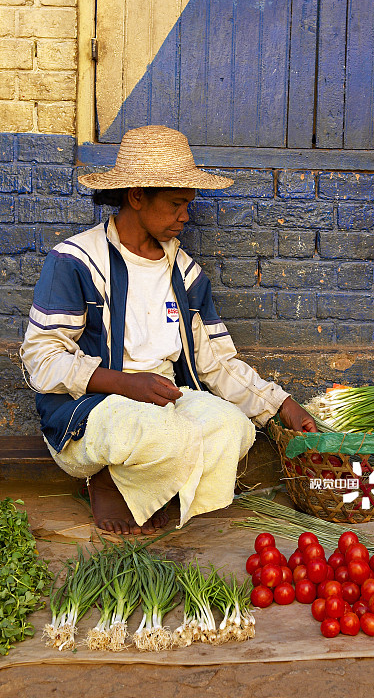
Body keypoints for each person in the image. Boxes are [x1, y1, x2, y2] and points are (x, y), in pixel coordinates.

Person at [20, 126, 317, 536]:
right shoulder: (75, 262)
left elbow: (217, 362)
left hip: (162, 402)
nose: (185, 216)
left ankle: (148, 488)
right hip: (94, 411)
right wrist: (124, 383)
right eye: (177, 204)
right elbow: (42, 359)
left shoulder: (186, 275)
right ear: (137, 196)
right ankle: (106, 480)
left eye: (188, 205)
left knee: (232, 427)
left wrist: (281, 406)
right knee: (153, 430)